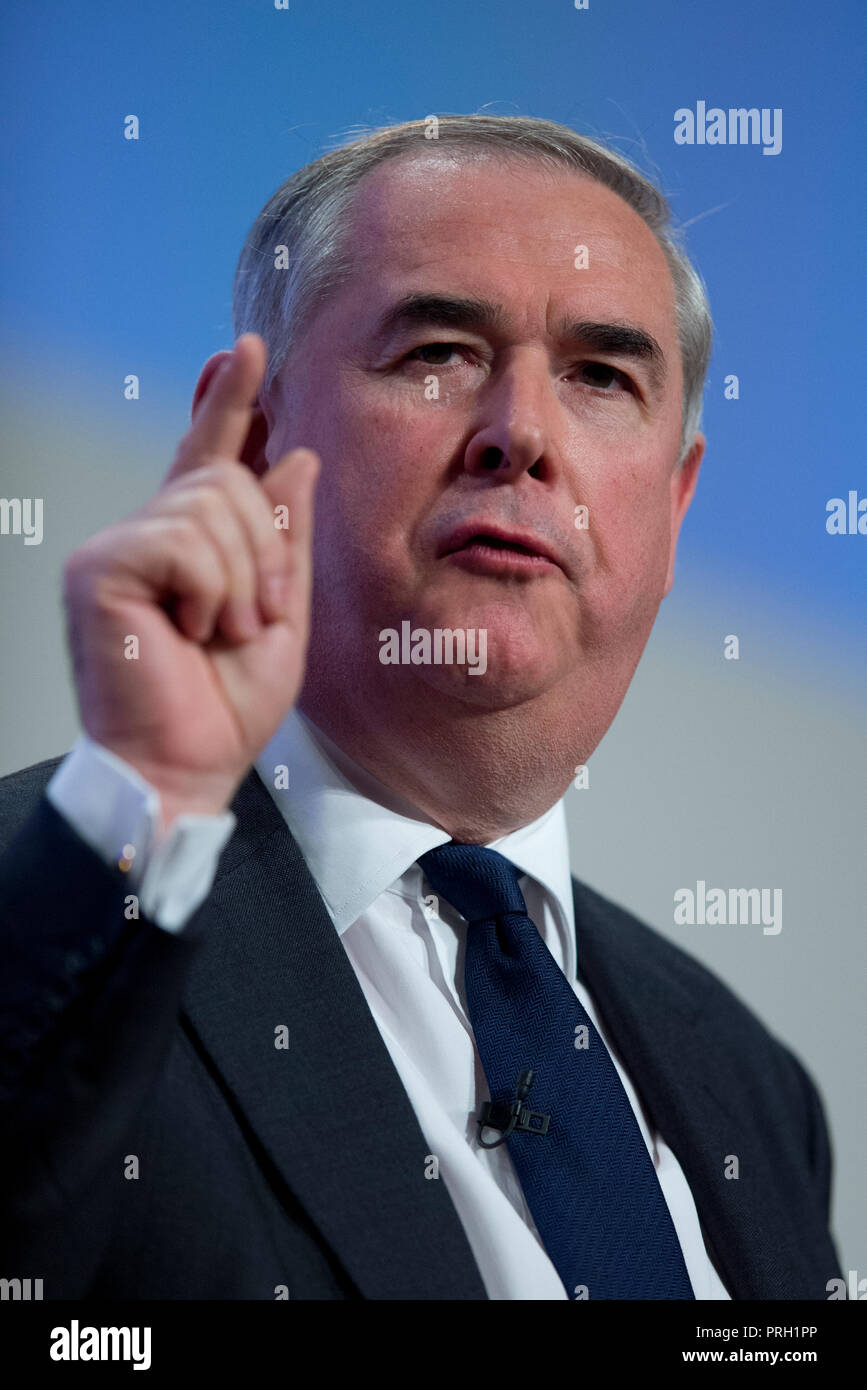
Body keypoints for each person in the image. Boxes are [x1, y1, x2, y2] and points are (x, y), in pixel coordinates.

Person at [0, 115, 843, 1300]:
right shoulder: (45, 902)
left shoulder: (756, 1089)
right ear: (249, 445)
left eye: (602, 376)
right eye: (439, 349)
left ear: (676, 507)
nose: (523, 435)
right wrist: (138, 800)